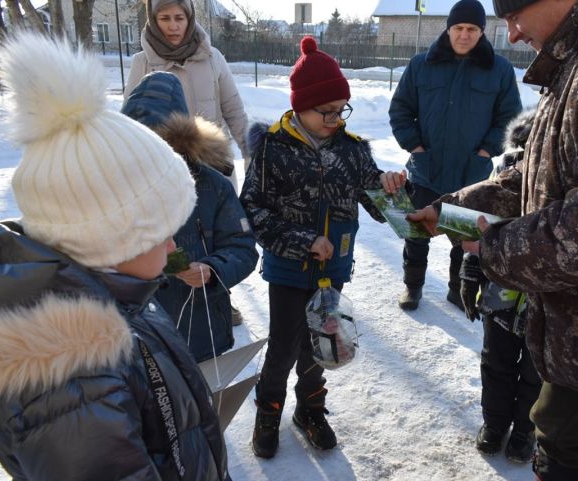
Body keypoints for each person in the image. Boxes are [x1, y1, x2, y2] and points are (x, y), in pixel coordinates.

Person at [410, 0, 578, 479]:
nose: (511, 34)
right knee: (555, 452)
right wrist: (456, 209)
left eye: (515, 14)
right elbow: (542, 177)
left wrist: (495, 248)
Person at [0, 34, 230, 481]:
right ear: (111, 240)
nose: (171, 246)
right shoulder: (71, 385)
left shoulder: (120, 301)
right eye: (161, 233)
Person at [240, 36, 407, 459]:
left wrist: (391, 187)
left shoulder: (351, 151)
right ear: (300, 106)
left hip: (333, 271)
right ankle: (268, 412)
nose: (335, 119)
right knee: (282, 348)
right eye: (325, 111)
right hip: (288, 269)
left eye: (340, 110)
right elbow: (253, 210)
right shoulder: (272, 149)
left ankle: (310, 410)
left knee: (321, 342)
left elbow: (380, 205)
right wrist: (301, 240)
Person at [389, 0, 522, 312]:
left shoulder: (498, 70)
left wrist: (486, 151)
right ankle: (412, 286)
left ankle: (457, 289)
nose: (465, 35)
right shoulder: (421, 65)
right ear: (448, 29)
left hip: (470, 175)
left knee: (465, 241)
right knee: (417, 234)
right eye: (459, 28)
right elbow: (400, 111)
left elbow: (509, 117)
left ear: (482, 31)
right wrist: (416, 148)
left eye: (472, 29)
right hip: (426, 170)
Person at [126, 0, 250, 324]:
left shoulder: (212, 59)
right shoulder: (143, 62)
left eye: (179, 17)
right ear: (153, 20)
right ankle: (161, 304)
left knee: (215, 234)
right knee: (174, 238)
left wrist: (250, 153)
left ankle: (220, 296)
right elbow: (131, 116)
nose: (173, 25)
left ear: (190, 18)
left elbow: (233, 109)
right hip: (161, 167)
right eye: (165, 18)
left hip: (210, 163)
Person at [121, 71, 258, 363]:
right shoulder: (111, 187)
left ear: (177, 143)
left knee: (202, 403)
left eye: (156, 146)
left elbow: (243, 248)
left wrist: (212, 270)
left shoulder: (213, 187)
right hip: (133, 339)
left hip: (200, 329)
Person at [455, 109, 541, 463]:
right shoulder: (504, 170)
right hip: (500, 290)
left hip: (544, 294)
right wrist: (470, 272)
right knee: (496, 361)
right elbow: (481, 225)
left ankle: (525, 430)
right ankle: (494, 424)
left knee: (536, 370)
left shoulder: (564, 176)